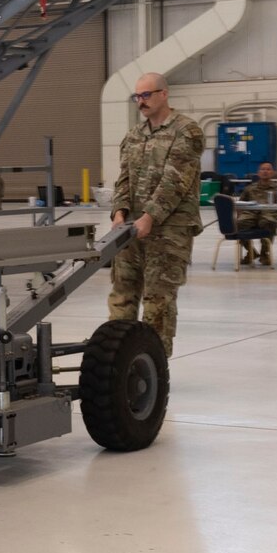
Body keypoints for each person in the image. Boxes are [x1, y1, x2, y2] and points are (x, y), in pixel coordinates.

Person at [108, 73, 203, 357]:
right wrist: (119, 212)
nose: (141, 102)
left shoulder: (187, 131)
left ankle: (153, 364)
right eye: (137, 96)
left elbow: (175, 181)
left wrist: (149, 217)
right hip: (131, 230)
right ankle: (118, 360)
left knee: (157, 300)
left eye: (146, 95)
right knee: (122, 294)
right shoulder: (133, 136)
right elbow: (123, 178)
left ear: (164, 94)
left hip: (169, 231)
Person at [233, 160, 277, 266]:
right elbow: (240, 204)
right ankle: (251, 252)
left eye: (268, 169)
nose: (265, 171)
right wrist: (239, 215)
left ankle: (265, 254)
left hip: (267, 215)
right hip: (251, 215)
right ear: (258, 173)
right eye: (262, 169)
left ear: (272, 173)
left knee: (269, 222)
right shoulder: (249, 189)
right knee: (237, 225)